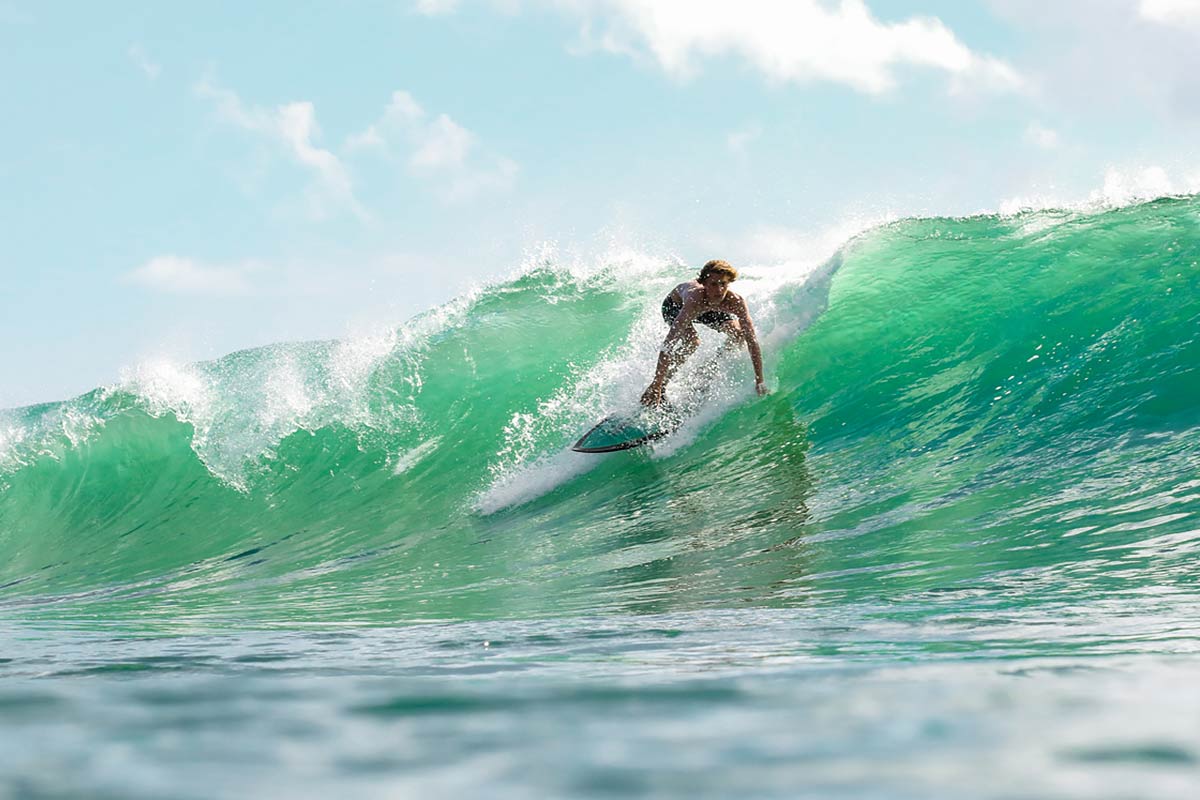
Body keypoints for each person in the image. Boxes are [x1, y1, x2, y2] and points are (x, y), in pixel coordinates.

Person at [641, 260, 767, 406]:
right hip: (675, 306)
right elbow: (668, 344)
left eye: (723, 284)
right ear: (704, 284)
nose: (719, 290)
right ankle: (661, 386)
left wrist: (760, 380)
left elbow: (752, 341)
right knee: (692, 342)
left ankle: (711, 367)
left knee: (739, 334)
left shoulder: (735, 301)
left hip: (709, 309)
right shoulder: (694, 299)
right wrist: (656, 383)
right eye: (714, 284)